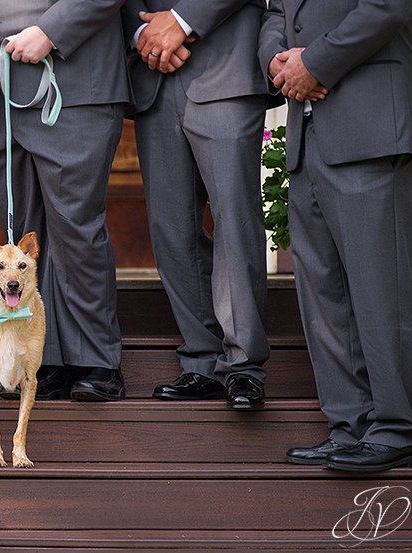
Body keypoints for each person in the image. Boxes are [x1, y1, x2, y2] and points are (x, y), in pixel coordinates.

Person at [262, 0, 412, 472]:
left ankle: (397, 426)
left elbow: (389, 6)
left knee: (381, 289)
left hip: (368, 125)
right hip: (308, 136)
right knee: (324, 295)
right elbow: (274, 12)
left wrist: (315, 62)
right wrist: (275, 58)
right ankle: (349, 424)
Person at [0, 0, 127, 401]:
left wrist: (51, 30)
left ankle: (95, 360)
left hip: (70, 77)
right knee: (22, 240)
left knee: (74, 226)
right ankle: (43, 358)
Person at [123, 1, 271, 410]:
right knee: (172, 229)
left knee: (234, 219)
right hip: (153, 71)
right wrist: (143, 35)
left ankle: (243, 364)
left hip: (226, 63)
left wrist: (182, 21)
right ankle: (202, 358)